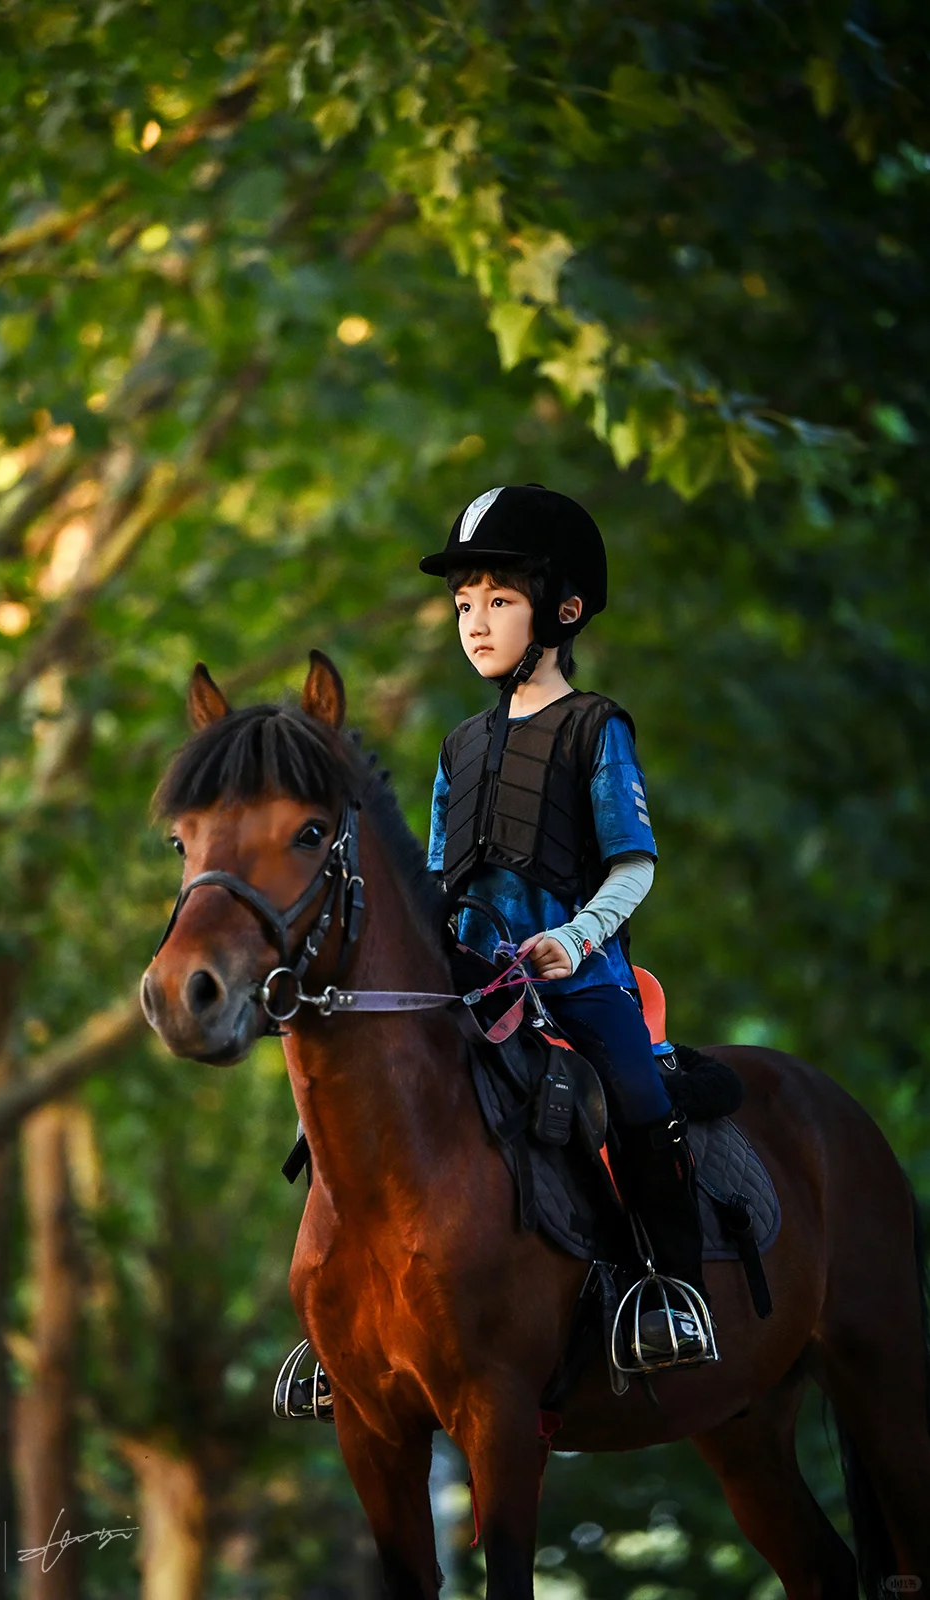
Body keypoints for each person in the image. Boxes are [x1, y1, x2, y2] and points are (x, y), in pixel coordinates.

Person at [419, 483, 714, 1367]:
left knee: (636, 1098)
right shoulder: (457, 745)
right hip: (473, 987)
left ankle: (674, 1292)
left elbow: (634, 864)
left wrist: (575, 939)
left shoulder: (595, 728)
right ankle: (340, 1322)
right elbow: (436, 875)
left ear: (563, 608)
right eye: (465, 604)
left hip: (577, 984)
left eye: (499, 601)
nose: (475, 622)